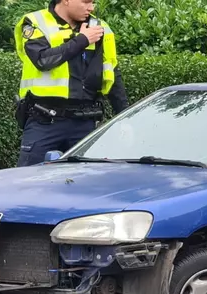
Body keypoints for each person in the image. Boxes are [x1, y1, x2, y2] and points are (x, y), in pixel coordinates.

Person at [14, 0, 129, 168]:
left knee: (87, 185)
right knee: (28, 182)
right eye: (86, 2)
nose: (91, 8)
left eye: (93, 3)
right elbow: (43, 60)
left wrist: (125, 116)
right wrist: (82, 40)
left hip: (86, 123)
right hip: (45, 121)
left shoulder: (100, 27)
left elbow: (112, 73)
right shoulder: (35, 22)